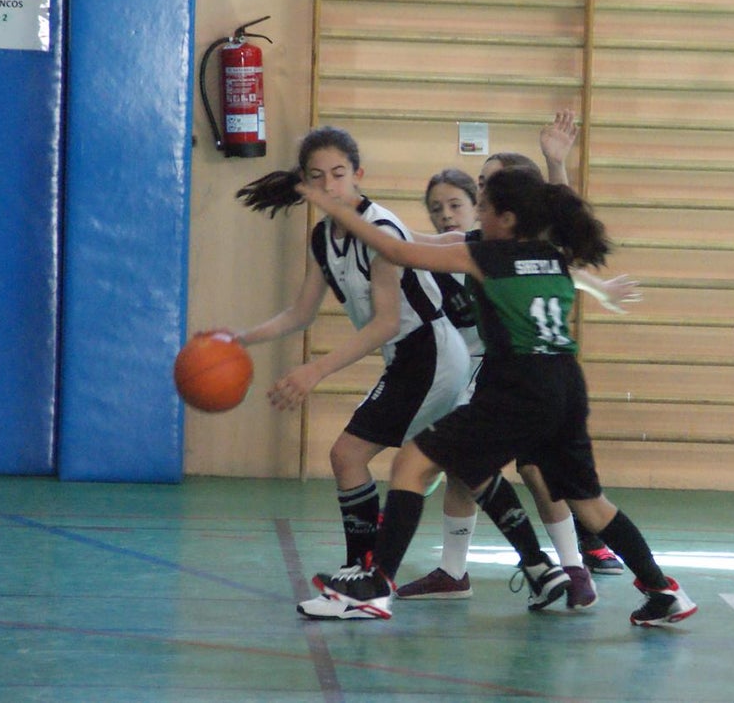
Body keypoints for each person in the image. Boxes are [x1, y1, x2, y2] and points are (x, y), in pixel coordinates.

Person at [297, 167, 698, 626]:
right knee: (590, 501)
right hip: (566, 384)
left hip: (519, 386)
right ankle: (663, 591)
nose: (477, 216)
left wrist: (339, 210)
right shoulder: (552, 255)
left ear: (507, 218)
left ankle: (374, 588)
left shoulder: (487, 256)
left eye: (483, 208)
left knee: (411, 462)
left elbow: (395, 250)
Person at [231, 125, 471, 582]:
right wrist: (240, 338)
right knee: (448, 462)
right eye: (317, 176)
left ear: (357, 175)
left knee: (354, 455)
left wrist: (314, 371)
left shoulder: (379, 230)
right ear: (305, 183)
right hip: (408, 358)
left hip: (431, 351)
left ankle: (365, 570)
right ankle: (539, 565)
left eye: (338, 174)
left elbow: (386, 322)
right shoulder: (323, 238)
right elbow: (300, 313)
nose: (329, 186)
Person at [397, 164, 633, 606]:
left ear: (488, 208)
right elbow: (404, 241)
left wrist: (601, 288)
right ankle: (456, 570)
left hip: (520, 373)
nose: (446, 214)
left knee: (537, 470)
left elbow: (562, 261)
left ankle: (570, 566)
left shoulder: (502, 250)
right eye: (436, 207)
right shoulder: (460, 245)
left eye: (457, 204)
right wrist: (362, 218)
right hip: (479, 371)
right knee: (463, 469)